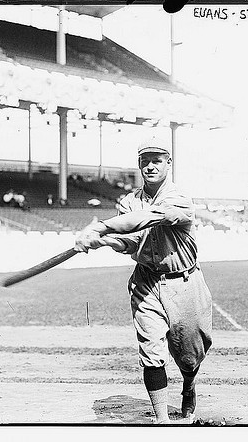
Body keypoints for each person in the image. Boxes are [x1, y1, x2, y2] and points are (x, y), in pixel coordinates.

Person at [75, 136, 212, 424]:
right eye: (145, 161)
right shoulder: (128, 201)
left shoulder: (179, 199)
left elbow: (148, 219)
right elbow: (131, 241)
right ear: (139, 164)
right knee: (151, 352)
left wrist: (99, 227)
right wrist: (104, 242)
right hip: (146, 282)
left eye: (157, 160)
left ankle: (189, 385)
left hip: (184, 282)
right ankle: (161, 421)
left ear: (168, 163)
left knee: (190, 357)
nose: (150, 166)